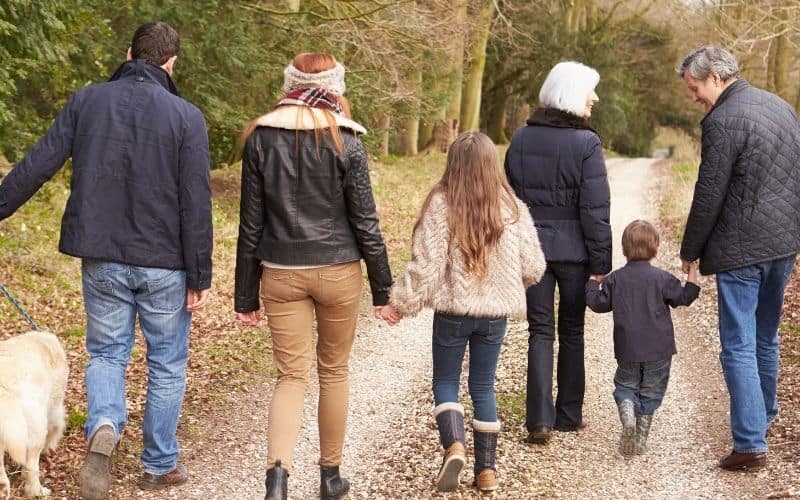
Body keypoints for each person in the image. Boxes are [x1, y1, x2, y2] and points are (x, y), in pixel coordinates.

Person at [0, 21, 212, 497]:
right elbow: (196, 202)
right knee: (167, 362)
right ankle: (158, 465)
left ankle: (103, 426)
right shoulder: (186, 117)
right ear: (171, 62)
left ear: (129, 51)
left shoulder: (88, 101)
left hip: (102, 258)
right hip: (166, 262)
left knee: (108, 354)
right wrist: (200, 273)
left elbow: (39, 162)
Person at [234, 53, 393, 500]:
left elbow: (251, 225)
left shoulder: (261, 137)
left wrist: (245, 296)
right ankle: (329, 478)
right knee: (334, 372)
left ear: (290, 83)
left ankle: (278, 480)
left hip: (281, 274)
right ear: (335, 86)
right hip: (339, 272)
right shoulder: (348, 140)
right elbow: (366, 223)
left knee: (290, 377)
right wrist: (383, 289)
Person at [379, 132, 546, 493]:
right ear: (491, 165)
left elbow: (426, 267)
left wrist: (400, 305)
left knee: (445, 382)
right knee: (484, 386)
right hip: (494, 317)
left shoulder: (442, 203)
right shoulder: (510, 206)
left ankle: (454, 447)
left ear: (452, 163)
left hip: (453, 313)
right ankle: (487, 471)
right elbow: (533, 266)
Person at [677, 45, 800, 471]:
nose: (694, 97)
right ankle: (761, 416)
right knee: (765, 337)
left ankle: (750, 443)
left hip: (741, 250)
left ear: (715, 77)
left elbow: (708, 194)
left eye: (695, 88)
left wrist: (689, 250)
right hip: (784, 245)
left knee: (738, 346)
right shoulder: (781, 106)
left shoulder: (722, 120)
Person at [504, 61, 612, 443]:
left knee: (539, 331)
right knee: (572, 330)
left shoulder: (520, 139)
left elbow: (510, 203)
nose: (595, 99)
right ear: (570, 93)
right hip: (575, 254)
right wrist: (602, 264)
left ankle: (539, 420)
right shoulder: (587, 143)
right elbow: (595, 210)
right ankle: (568, 414)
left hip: (532, 249)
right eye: (589, 91)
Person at [585, 220, 700, 456]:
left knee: (626, 386)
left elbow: (597, 304)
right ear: (655, 249)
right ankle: (640, 440)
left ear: (624, 249)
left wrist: (592, 282)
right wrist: (693, 273)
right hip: (659, 349)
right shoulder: (663, 278)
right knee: (651, 391)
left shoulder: (615, 279)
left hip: (628, 348)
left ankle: (627, 415)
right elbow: (684, 297)